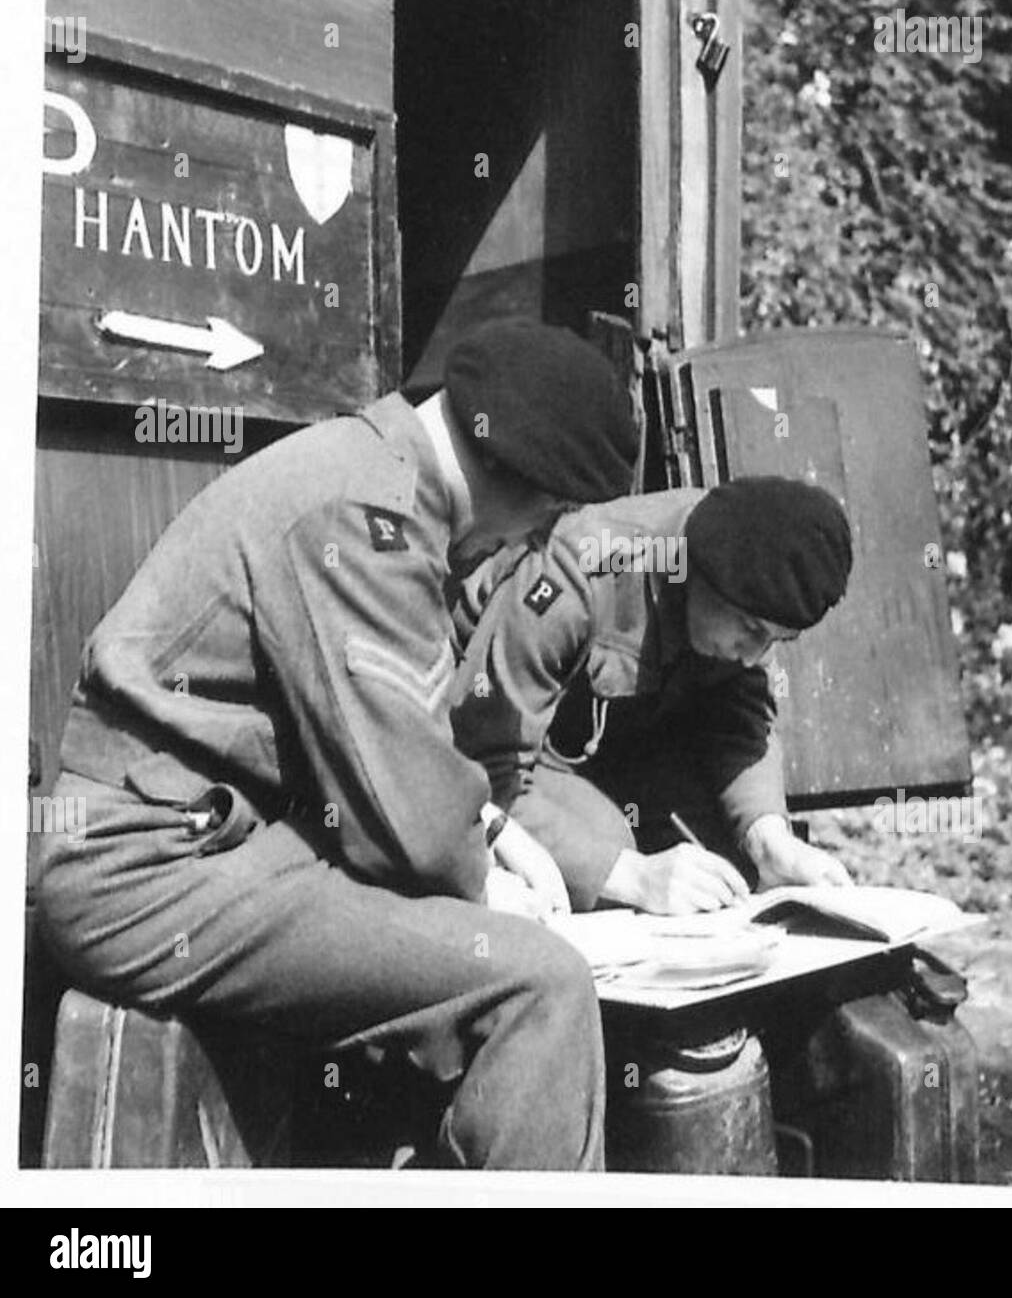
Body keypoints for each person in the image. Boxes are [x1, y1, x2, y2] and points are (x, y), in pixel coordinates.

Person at [35, 318, 639, 1170]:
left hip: (221, 848)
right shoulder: (363, 518)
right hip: (151, 876)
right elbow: (413, 825)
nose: (532, 542)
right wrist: (491, 884)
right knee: (540, 983)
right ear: (512, 471)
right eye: (548, 513)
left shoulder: (371, 478)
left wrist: (497, 836)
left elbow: (390, 749)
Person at [448, 477, 854, 915]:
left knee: (728, 870)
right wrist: (630, 875)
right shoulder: (582, 567)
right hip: (503, 745)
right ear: (698, 573)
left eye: (778, 640)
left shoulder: (748, 577)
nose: (755, 655)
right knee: (610, 850)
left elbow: (741, 722)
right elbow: (484, 769)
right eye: (751, 630)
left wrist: (769, 838)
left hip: (619, 748)